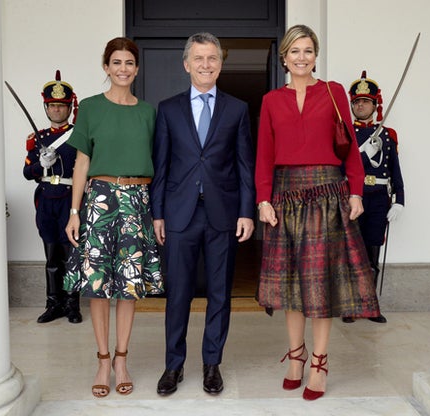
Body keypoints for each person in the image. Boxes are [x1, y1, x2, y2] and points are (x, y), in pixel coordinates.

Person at [255, 25, 381, 401]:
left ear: (316, 55)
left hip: (328, 192)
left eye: (308, 51)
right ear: (284, 57)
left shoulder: (334, 92)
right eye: (295, 51)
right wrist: (264, 199)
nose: (301, 57)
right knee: (292, 286)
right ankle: (296, 358)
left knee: (320, 285)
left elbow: (350, 151)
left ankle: (320, 364)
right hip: (285, 196)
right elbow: (264, 153)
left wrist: (356, 191)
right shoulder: (271, 100)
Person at [150, 32, 255, 396]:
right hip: (179, 215)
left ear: (220, 64)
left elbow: (245, 165)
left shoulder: (237, 109)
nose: (206, 65)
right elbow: (161, 166)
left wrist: (246, 211)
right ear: (186, 64)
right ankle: (173, 366)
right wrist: (157, 213)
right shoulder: (168, 109)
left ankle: (212, 364)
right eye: (199, 59)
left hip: (223, 215)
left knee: (220, 294)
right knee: (177, 293)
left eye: (212, 58)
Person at [63, 37, 164, 398]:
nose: (123, 68)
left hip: (137, 199)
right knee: (98, 287)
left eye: (129, 63)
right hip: (99, 200)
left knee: (129, 287)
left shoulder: (149, 112)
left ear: (137, 68)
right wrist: (74, 212)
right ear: (106, 67)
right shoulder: (89, 108)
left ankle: (122, 357)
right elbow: (82, 163)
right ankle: (103, 359)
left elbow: (161, 163)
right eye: (116, 62)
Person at [344, 71, 405, 324]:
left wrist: (400, 199)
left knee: (372, 255)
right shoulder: (345, 133)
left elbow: (395, 171)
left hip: (379, 199)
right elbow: (339, 168)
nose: (361, 105)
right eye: (357, 101)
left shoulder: (387, 135)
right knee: (350, 255)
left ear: (375, 105)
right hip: (352, 198)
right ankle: (349, 306)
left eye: (366, 101)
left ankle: (370, 306)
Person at [22, 70, 82, 324]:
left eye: (62, 106)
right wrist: (43, 164)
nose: (57, 110)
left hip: (69, 198)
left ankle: (72, 305)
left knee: (71, 256)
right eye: (53, 106)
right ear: (46, 108)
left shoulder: (78, 135)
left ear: (70, 108)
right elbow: (27, 172)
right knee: (51, 257)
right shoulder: (37, 139)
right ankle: (53, 304)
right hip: (47, 199)